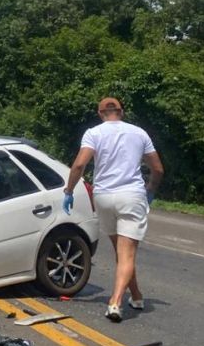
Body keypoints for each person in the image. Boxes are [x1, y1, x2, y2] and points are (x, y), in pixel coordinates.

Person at [64, 98, 163, 322]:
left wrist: (69, 191)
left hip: (104, 197)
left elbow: (79, 165)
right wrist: (150, 190)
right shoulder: (139, 133)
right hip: (131, 195)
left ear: (100, 114)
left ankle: (136, 296)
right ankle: (115, 302)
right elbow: (157, 168)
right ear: (122, 112)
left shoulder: (93, 133)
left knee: (122, 252)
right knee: (127, 253)